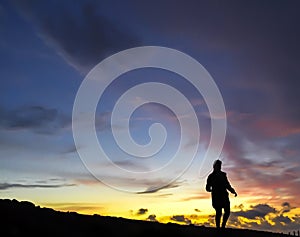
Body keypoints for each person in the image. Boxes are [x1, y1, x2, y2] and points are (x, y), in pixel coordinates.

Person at [205, 159, 237, 229]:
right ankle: (218, 227)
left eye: (220, 165)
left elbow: (227, 184)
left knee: (227, 211)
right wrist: (210, 189)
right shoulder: (211, 176)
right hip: (216, 197)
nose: (219, 167)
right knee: (218, 212)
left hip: (224, 195)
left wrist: (232, 191)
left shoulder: (223, 175)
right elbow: (207, 187)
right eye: (217, 165)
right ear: (214, 166)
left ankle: (223, 226)